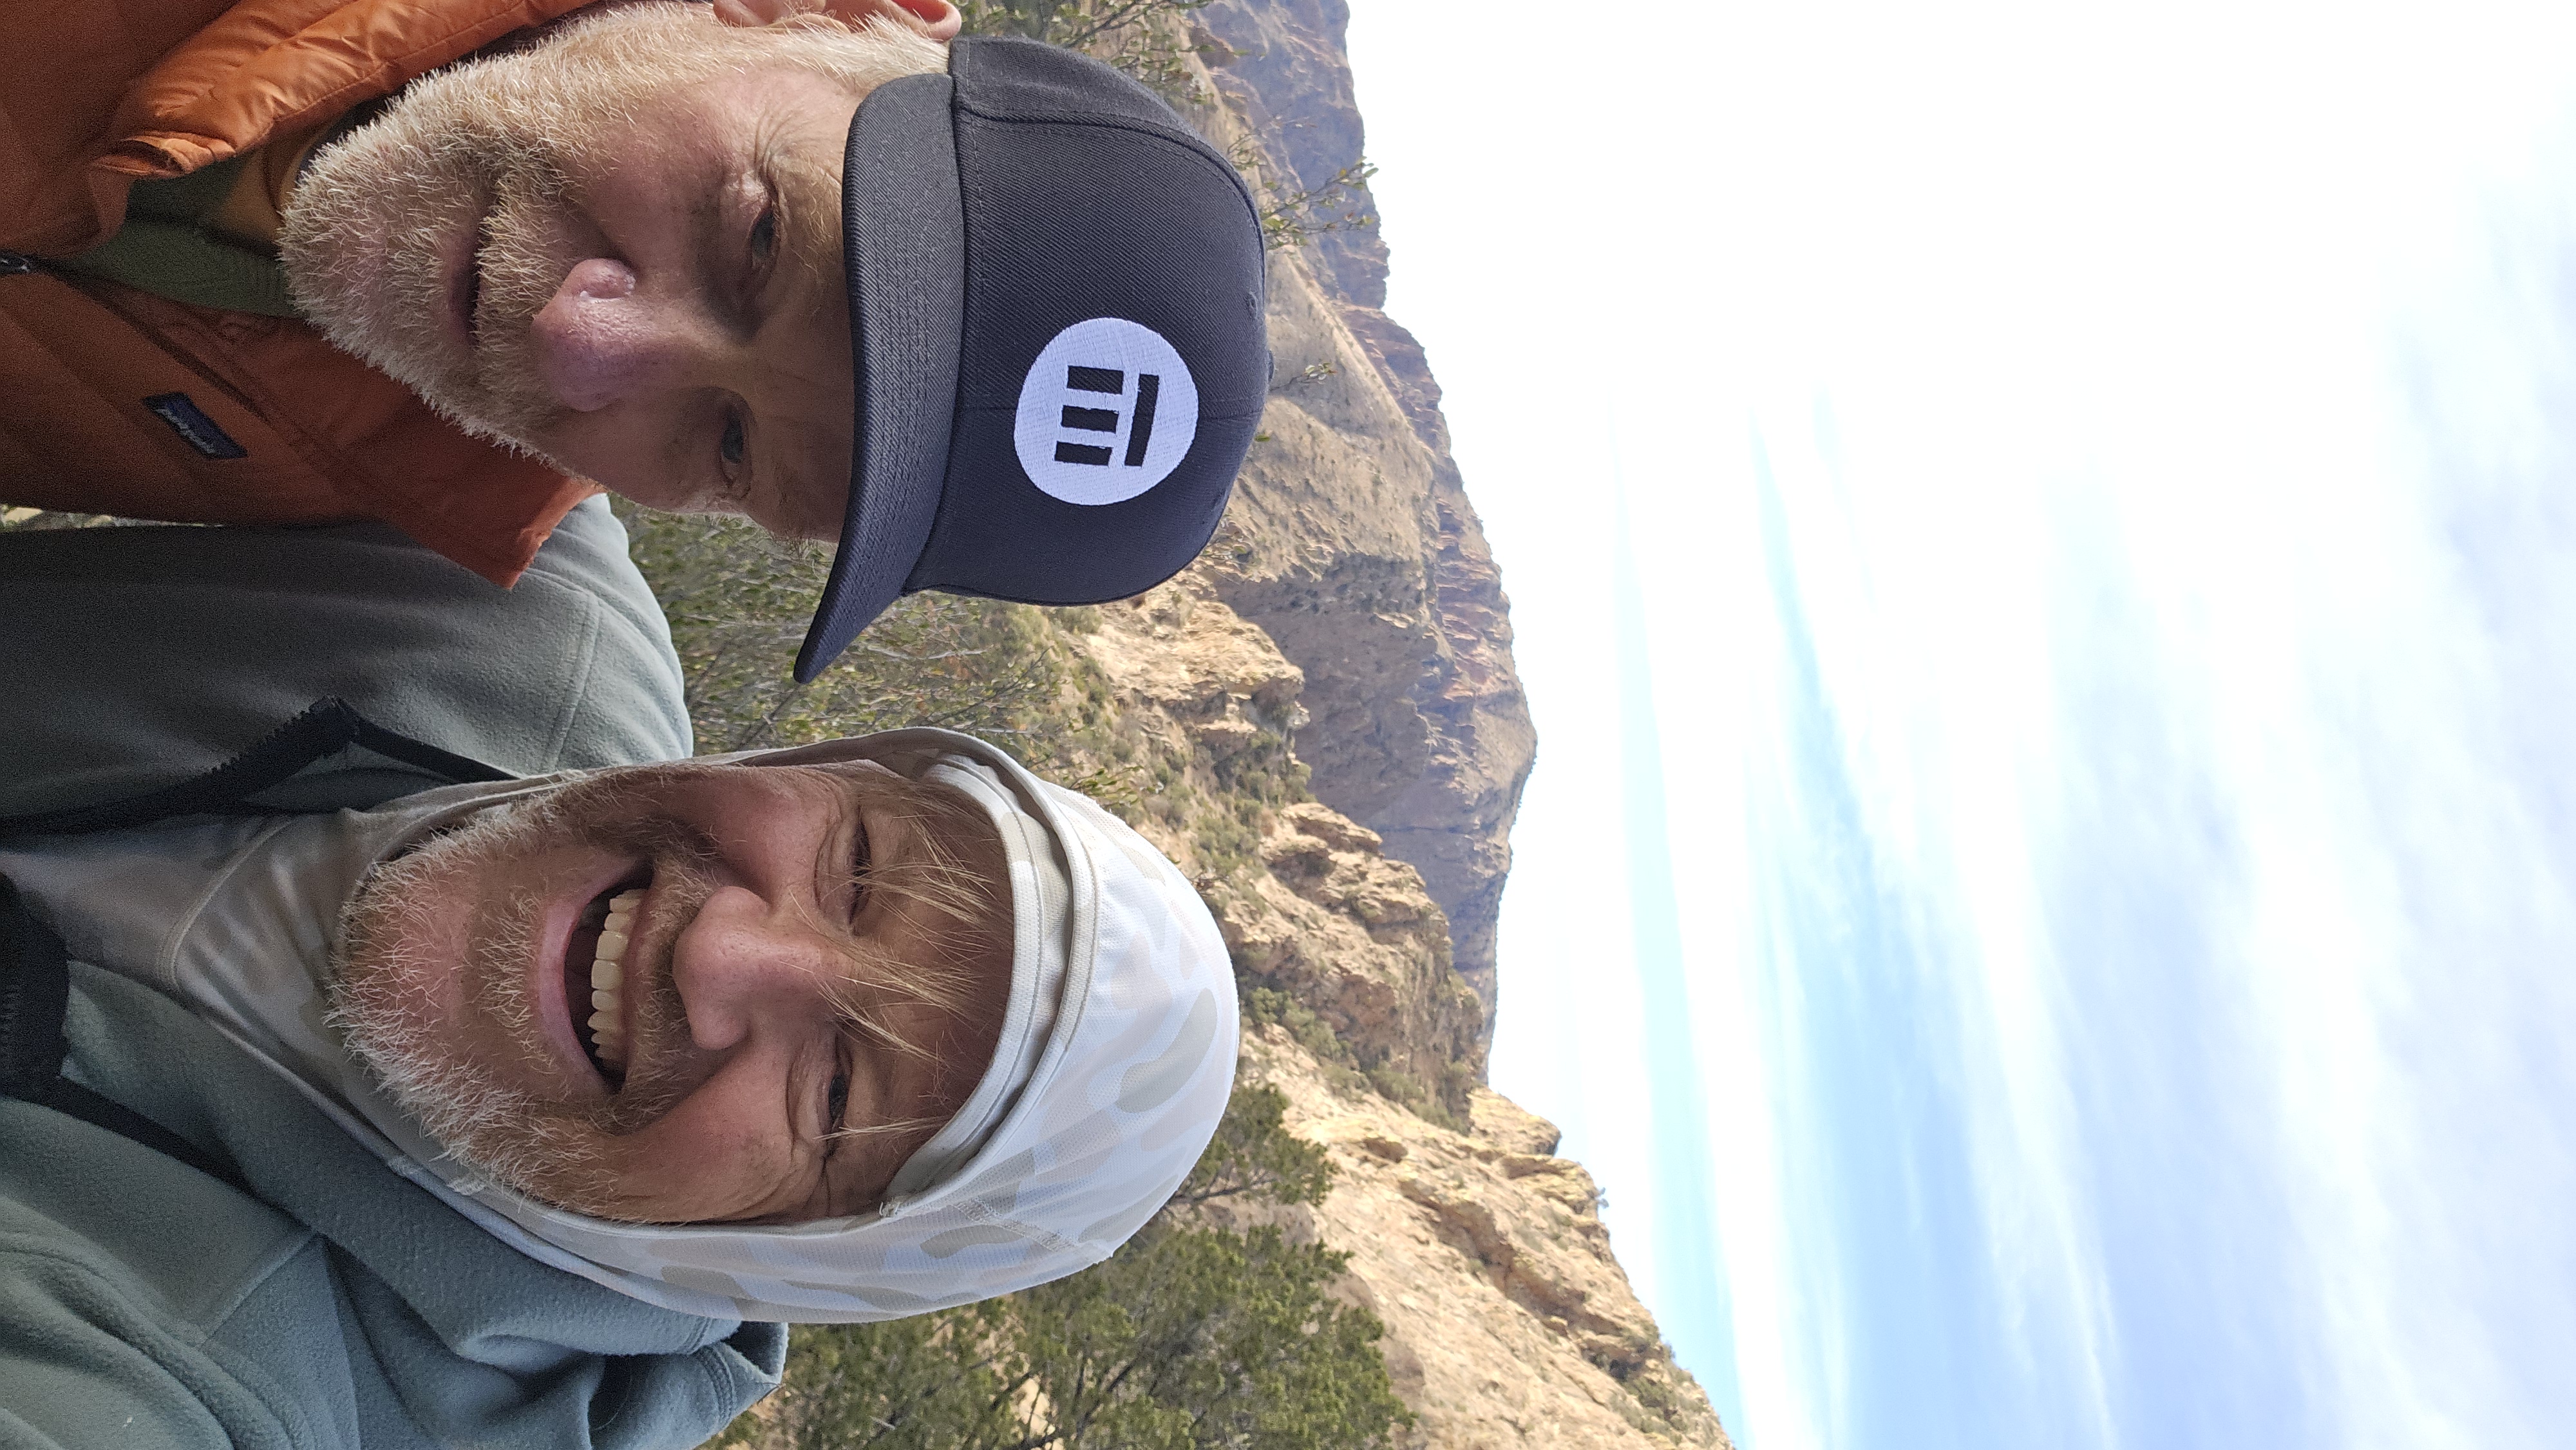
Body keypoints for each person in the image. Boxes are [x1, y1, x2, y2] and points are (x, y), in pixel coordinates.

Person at [0, 505, 1239, 1447]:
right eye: (858, 868)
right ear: (835, 763)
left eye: (840, 1095)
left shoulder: (225, 1388)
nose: (721, 954)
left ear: (782, 1255)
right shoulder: (496, 579)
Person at [1, 0, 1269, 679]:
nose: (573, 346)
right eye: (757, 239)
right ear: (796, 11)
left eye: (728, 445)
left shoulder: (384, 495)